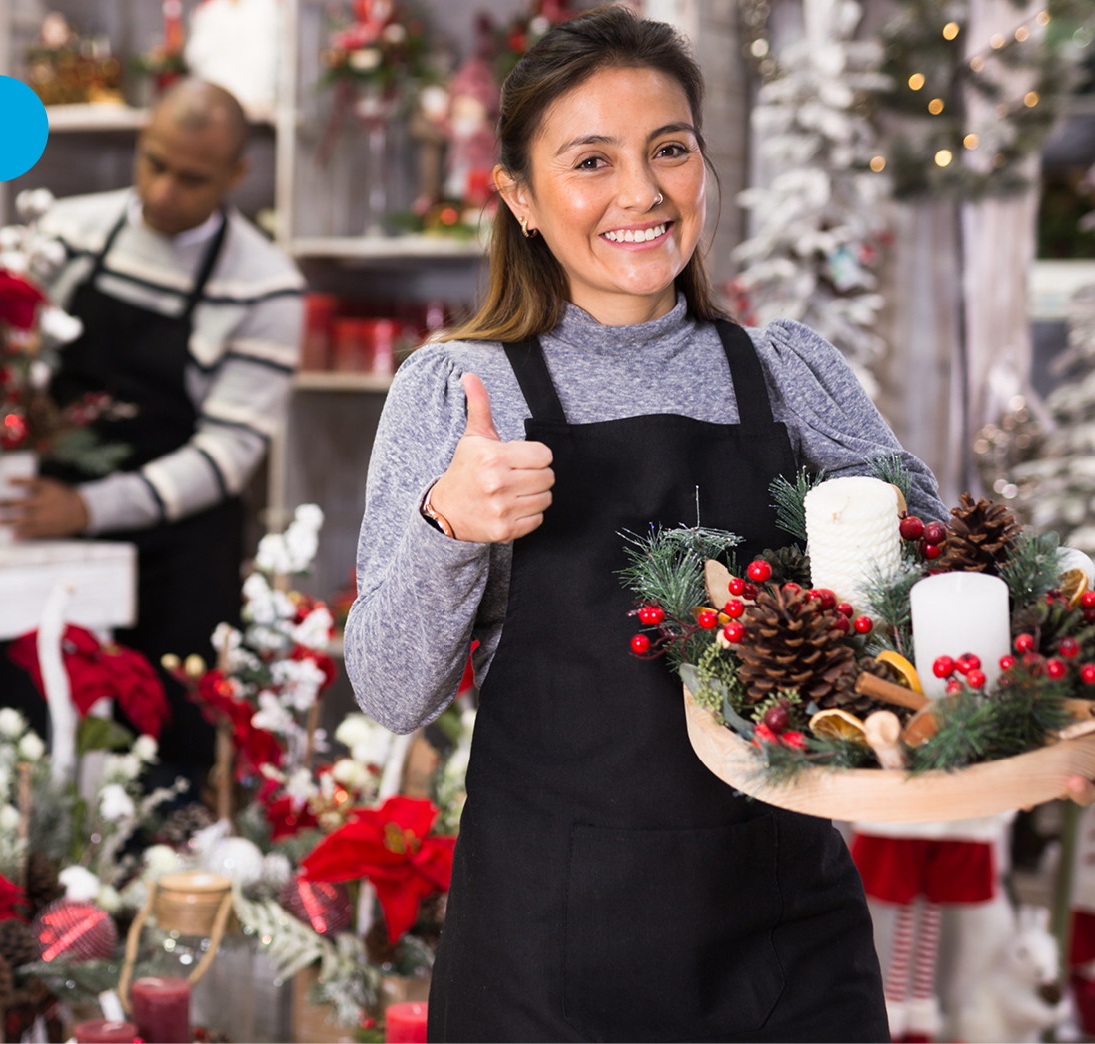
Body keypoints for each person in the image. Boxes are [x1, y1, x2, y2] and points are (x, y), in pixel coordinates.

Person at [346, 7, 932, 1040]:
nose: (640, 193)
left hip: (783, 934)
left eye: (668, 149)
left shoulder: (788, 372)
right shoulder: (460, 389)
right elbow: (391, 695)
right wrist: (448, 526)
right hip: (549, 947)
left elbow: (933, 599)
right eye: (589, 161)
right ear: (519, 198)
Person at [0, 79, 304, 780]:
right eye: (153, 163)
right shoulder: (67, 234)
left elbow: (228, 455)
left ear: (236, 175)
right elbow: (6, 362)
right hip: (51, 535)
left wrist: (91, 508)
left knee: (164, 759)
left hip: (178, 559)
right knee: (24, 740)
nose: (164, 191)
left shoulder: (265, 285)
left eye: (192, 179)